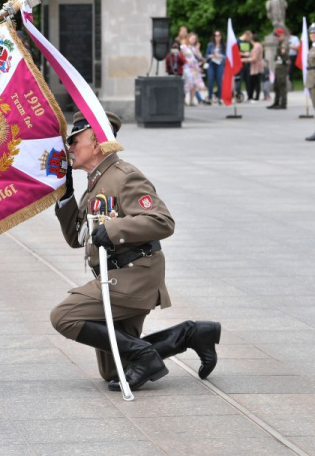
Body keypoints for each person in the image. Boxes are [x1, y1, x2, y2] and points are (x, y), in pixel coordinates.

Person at [50, 112, 221, 390]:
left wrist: (115, 229)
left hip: (134, 275)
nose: (69, 148)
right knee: (115, 371)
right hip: (116, 275)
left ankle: (144, 354)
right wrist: (66, 196)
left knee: (63, 316)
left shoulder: (124, 177)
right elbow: (76, 239)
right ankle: (192, 334)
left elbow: (162, 221)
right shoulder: (95, 183)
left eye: (74, 140)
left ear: (96, 142)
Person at [181, 34, 207, 105]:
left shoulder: (195, 48)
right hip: (187, 66)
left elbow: (200, 57)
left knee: (194, 84)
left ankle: (191, 100)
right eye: (192, 38)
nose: (193, 40)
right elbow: (184, 54)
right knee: (187, 82)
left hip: (194, 67)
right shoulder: (184, 46)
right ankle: (183, 100)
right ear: (188, 38)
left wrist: (197, 49)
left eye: (194, 39)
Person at [268, 28, 289, 109]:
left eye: (278, 35)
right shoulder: (280, 42)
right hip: (278, 66)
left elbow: (284, 49)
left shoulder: (284, 42)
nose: (277, 37)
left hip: (282, 67)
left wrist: (283, 51)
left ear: (282, 35)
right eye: (276, 35)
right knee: (276, 85)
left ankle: (283, 104)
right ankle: (276, 103)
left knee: (282, 85)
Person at [205, 30, 225, 104]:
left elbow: (226, 56)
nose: (217, 37)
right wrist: (211, 55)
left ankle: (220, 97)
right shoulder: (210, 45)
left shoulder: (223, 45)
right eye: (215, 36)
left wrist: (220, 55)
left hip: (219, 64)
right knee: (210, 81)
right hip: (212, 63)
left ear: (221, 36)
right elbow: (206, 55)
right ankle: (210, 97)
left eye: (218, 35)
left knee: (220, 81)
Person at [242, 33, 263, 102]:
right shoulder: (258, 46)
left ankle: (255, 97)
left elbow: (254, 58)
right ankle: (254, 96)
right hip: (256, 67)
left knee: (254, 82)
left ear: (252, 40)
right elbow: (251, 54)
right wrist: (243, 54)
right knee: (255, 82)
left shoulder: (256, 47)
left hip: (255, 67)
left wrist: (243, 60)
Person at [304, 24, 315, 141]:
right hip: (312, 80)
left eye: (314, 33)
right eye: (311, 33)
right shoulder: (312, 47)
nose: (312, 35)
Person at [237, 31, 252, 100]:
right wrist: (243, 54)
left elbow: (247, 51)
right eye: (249, 38)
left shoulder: (246, 42)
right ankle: (238, 94)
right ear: (246, 36)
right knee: (239, 79)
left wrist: (248, 54)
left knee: (248, 80)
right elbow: (236, 52)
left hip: (246, 63)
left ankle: (249, 96)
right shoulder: (238, 41)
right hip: (240, 63)